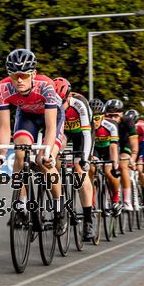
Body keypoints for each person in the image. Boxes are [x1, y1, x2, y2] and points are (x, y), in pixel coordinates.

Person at [0, 49, 67, 236]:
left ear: (33, 73)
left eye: (23, 75)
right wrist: (0, 154)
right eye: (14, 75)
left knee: (44, 162)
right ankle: (22, 205)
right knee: (19, 153)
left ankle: (59, 208)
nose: (19, 80)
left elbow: (50, 128)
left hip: (50, 117)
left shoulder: (46, 86)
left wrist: (48, 153)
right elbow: (4, 127)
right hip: (27, 117)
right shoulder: (2, 88)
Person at [54, 77, 96, 241]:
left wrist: (85, 159)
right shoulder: (53, 103)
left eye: (62, 103)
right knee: (53, 158)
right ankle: (60, 202)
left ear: (69, 97)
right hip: (64, 131)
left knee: (80, 171)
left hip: (82, 133)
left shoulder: (79, 104)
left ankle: (88, 221)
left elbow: (86, 134)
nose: (60, 107)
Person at [89, 99, 121, 218]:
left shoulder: (111, 125)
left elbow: (113, 147)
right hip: (95, 149)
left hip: (109, 150)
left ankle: (116, 199)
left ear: (103, 117)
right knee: (90, 170)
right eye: (92, 118)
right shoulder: (87, 125)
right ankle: (91, 203)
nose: (94, 122)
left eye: (97, 118)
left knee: (109, 172)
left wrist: (115, 165)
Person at [105, 102, 138, 213]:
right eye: (109, 116)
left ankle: (127, 201)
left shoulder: (128, 122)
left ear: (122, 114)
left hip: (125, 145)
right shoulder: (102, 122)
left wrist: (132, 159)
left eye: (115, 116)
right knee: (106, 169)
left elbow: (134, 144)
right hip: (110, 146)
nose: (112, 119)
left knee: (123, 166)